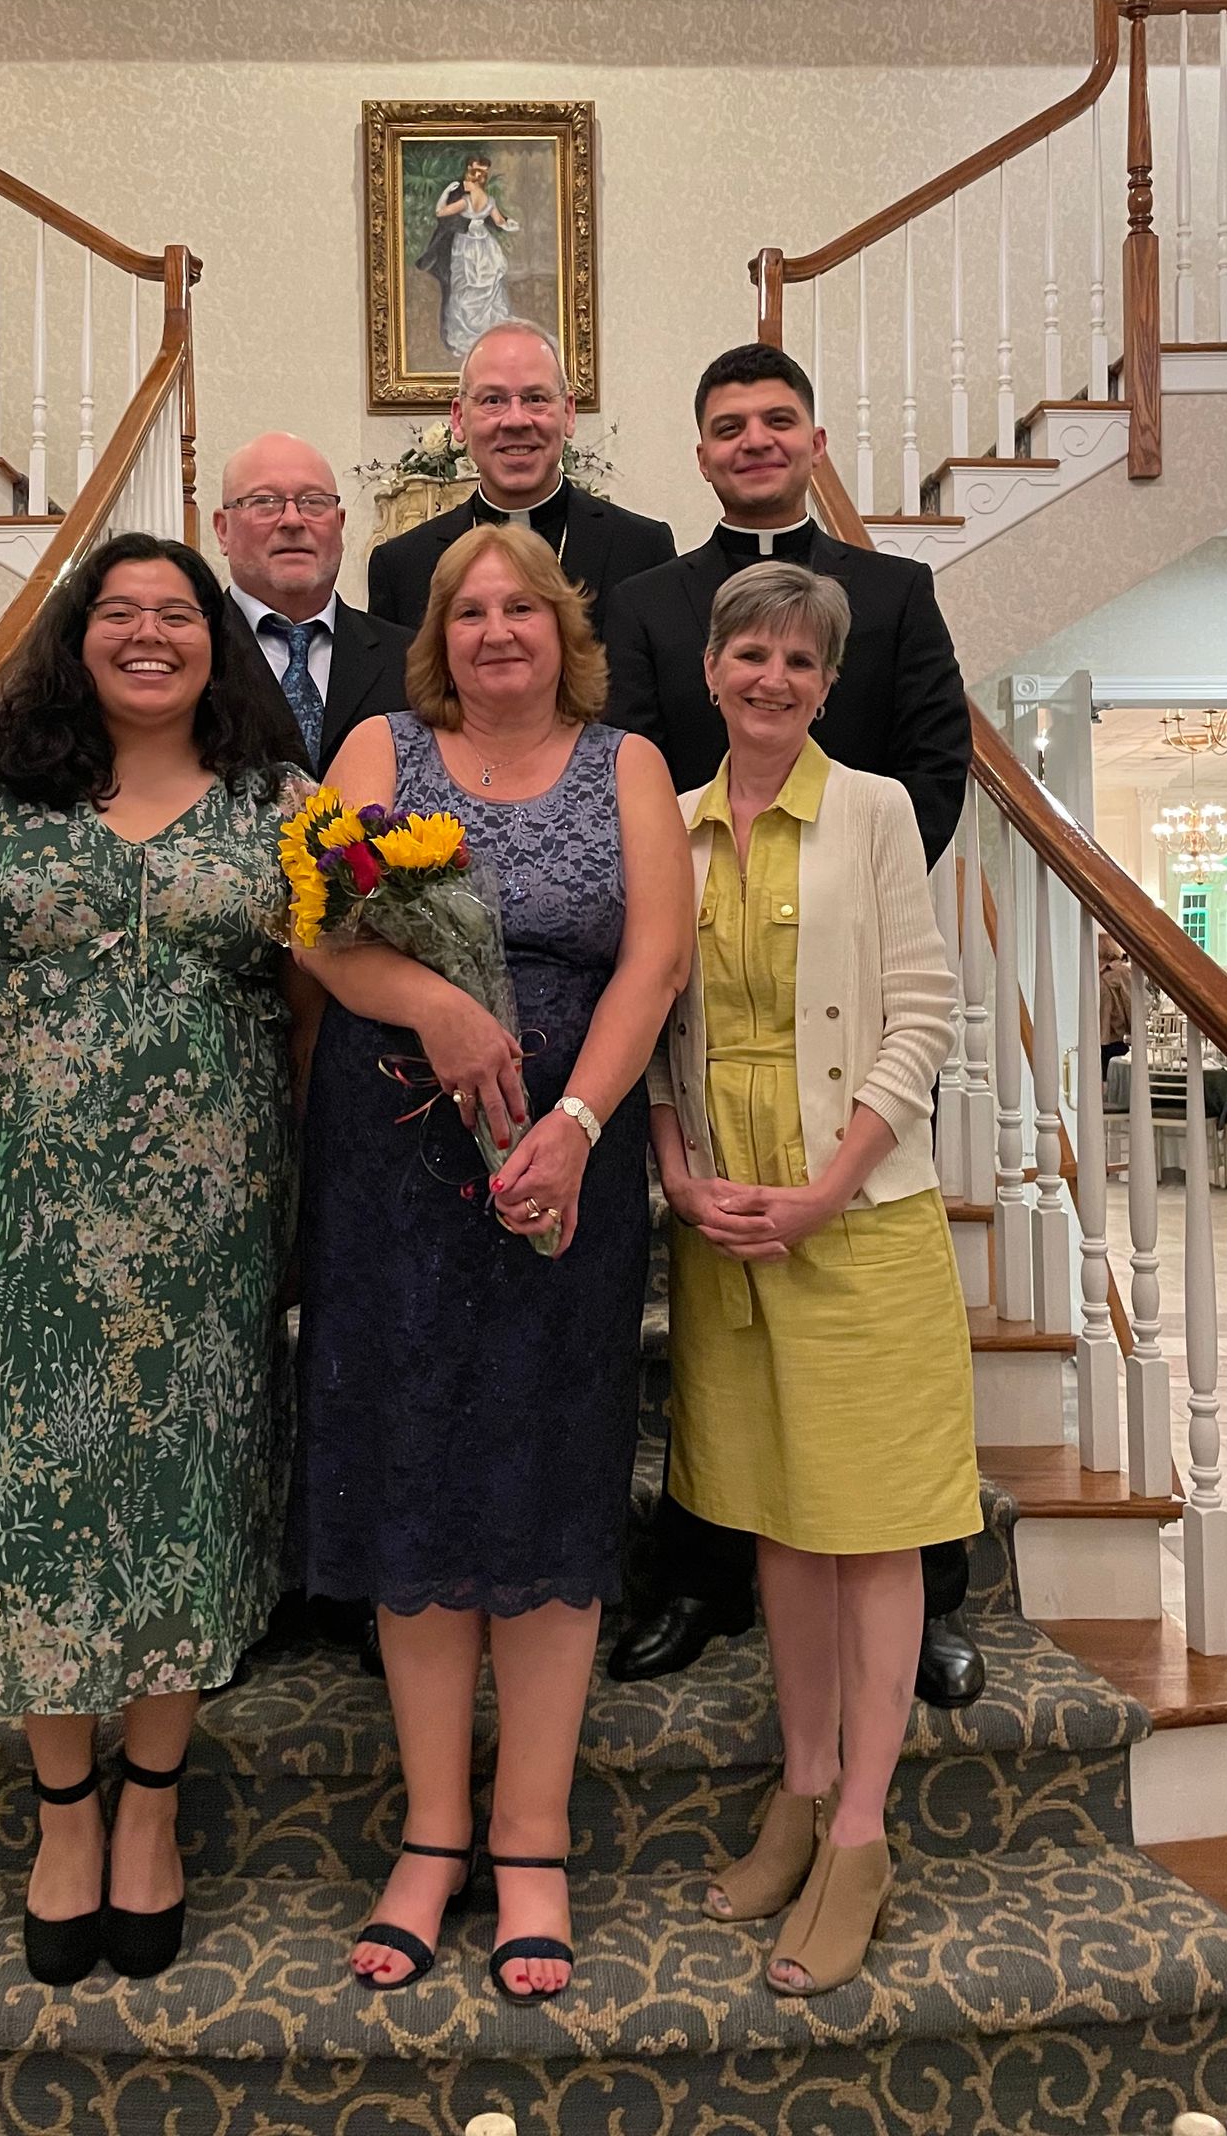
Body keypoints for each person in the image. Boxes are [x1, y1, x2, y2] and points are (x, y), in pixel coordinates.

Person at [0, 532, 307, 1988]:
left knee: (181, 1489)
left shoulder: (279, 800)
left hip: (210, 1217)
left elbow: (318, 991)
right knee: (36, 1492)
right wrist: (10, 1041)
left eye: (179, 613)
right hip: (19, 1213)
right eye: (120, 611)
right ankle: (64, 1811)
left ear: (218, 642)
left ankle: (151, 1803)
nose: (150, 633)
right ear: (77, 636)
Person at [293, 522, 692, 2006]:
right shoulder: (380, 752)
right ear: (438, 637)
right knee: (415, 1473)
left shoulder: (628, 764)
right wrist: (441, 1009)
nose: (498, 628)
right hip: (398, 1169)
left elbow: (655, 961)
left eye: (524, 605)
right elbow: (318, 933)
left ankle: (532, 1835)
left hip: (565, 1163)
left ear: (564, 629)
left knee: (545, 1476)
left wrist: (577, 1126)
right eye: (471, 610)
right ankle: (432, 1830)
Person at [602, 341, 980, 1707]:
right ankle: (703, 1582)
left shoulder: (895, 590)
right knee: (732, 1397)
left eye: (777, 420)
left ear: (815, 439)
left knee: (880, 1402)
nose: (754, 441)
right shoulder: (646, 603)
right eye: (729, 425)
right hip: (707, 970)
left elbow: (936, 762)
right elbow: (628, 774)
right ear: (701, 451)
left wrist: (838, 889)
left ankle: (920, 1607)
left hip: (841, 979)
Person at [651, 561, 979, 1995]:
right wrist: (677, 1170)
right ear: (711, 671)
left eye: (800, 659)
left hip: (856, 1219)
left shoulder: (879, 810)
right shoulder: (667, 823)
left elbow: (922, 1012)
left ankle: (859, 1832)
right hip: (725, 1221)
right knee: (780, 1523)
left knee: (876, 1525)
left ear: (829, 684)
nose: (773, 677)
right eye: (751, 653)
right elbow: (651, 1019)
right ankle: (798, 1789)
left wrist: (830, 1187)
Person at [367, 321, 674, 632]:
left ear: (568, 413)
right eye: (493, 400)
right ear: (459, 419)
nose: (516, 420)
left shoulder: (643, 550)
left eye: (536, 398)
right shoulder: (402, 567)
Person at [214, 431, 412, 778]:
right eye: (264, 502)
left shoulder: (411, 658)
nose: (292, 520)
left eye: (314, 502)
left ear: (340, 524)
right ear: (222, 530)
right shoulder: (192, 653)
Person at [414, 153, 520, 359]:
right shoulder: (489, 200)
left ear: (472, 181)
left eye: (468, 180)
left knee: (466, 288)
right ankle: (487, 334)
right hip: (485, 246)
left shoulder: (464, 201)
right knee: (485, 288)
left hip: (467, 247)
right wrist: (511, 225)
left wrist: (445, 193)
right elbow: (500, 222)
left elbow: (440, 212)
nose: (465, 183)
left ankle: (470, 336)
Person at [1099, 933, 1134, 1083]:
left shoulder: (1094, 974)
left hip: (1101, 1038)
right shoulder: (1121, 972)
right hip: (1116, 1037)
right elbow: (1131, 1004)